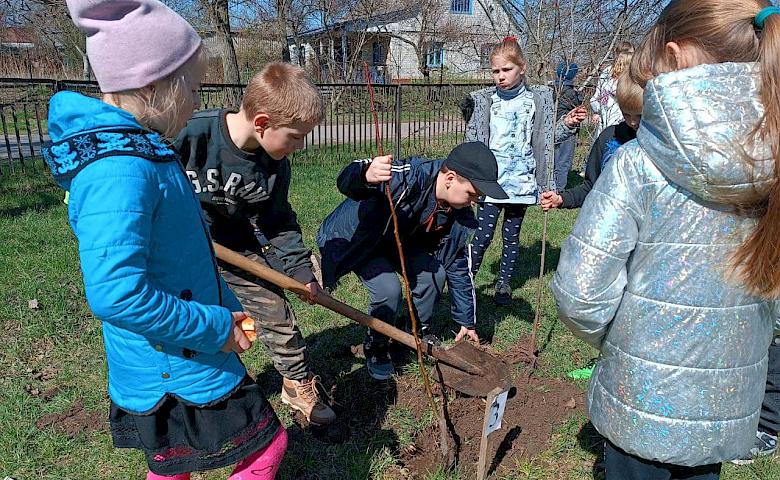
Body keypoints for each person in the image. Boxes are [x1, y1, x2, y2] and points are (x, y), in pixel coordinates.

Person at [43, 1, 285, 479]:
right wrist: (214, 328)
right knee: (265, 445)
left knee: (174, 465)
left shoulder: (141, 152)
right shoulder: (119, 170)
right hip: (172, 364)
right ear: (153, 85)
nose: (198, 103)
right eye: (192, 88)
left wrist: (229, 305)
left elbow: (179, 259)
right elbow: (117, 293)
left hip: (175, 354)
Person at [551, 1, 780, 479]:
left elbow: (580, 292)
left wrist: (626, 344)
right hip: (725, 403)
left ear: (674, 56)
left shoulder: (640, 164)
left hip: (641, 399)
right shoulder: (773, 165)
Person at [175, 62, 336, 426]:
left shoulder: (273, 164)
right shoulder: (190, 134)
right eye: (295, 136)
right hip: (177, 249)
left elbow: (277, 221)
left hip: (234, 247)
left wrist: (300, 271)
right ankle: (193, 393)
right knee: (191, 323)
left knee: (276, 314)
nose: (299, 146)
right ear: (262, 123)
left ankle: (296, 384)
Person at [316, 142, 507, 380]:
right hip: (356, 239)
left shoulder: (458, 215)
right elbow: (348, 179)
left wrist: (466, 321)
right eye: (472, 194)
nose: (473, 202)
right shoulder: (409, 176)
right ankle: (376, 347)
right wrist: (365, 174)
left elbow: (457, 265)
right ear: (450, 179)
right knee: (388, 289)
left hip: (396, 240)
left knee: (433, 275)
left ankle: (414, 331)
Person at [459, 37, 587, 306]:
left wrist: (568, 122)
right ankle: (466, 280)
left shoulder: (536, 100)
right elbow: (473, 141)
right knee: (482, 236)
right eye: (496, 71)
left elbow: (546, 138)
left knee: (511, 236)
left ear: (522, 68)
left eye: (506, 70)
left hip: (521, 182)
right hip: (491, 183)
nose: (501, 76)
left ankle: (504, 283)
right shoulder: (485, 102)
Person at [541, 72, 642, 211]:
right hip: (609, 216)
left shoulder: (661, 142)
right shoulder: (608, 137)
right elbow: (591, 186)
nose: (633, 121)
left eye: (640, 116)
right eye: (626, 114)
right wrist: (562, 199)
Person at [589, 41, 634, 138]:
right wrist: (598, 111)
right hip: (610, 119)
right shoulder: (608, 72)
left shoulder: (631, 74)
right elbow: (599, 95)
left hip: (620, 120)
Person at [553, 61, 584, 190]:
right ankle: (559, 188)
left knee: (554, 159)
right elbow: (578, 106)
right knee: (564, 161)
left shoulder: (553, 88)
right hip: (567, 130)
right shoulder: (571, 93)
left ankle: (551, 185)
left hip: (553, 127)